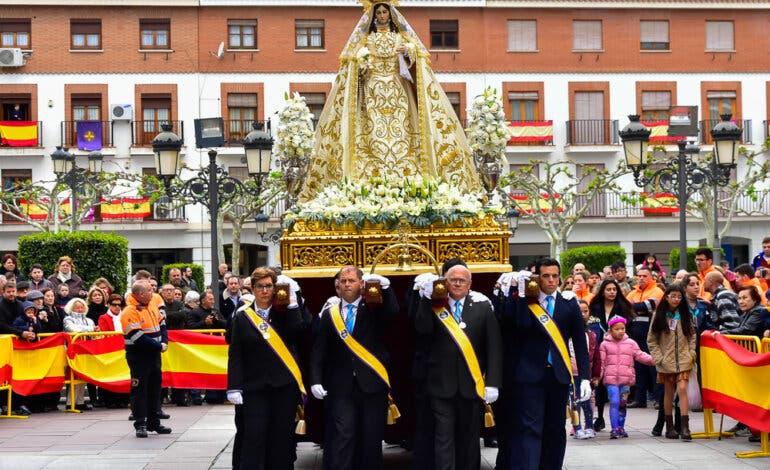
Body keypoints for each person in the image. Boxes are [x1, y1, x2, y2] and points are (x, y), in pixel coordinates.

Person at [298, 1, 480, 201]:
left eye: (385, 12)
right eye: (379, 12)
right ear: (373, 15)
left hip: (397, 90)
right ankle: (369, 176)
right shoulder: (364, 41)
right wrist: (361, 64)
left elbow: (417, 61)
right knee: (371, 130)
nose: (382, 15)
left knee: (404, 128)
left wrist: (408, 51)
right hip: (372, 92)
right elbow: (352, 67)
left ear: (391, 14)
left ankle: (408, 174)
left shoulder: (401, 38)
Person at [503, 258, 591, 470]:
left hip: (558, 376)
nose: (551, 280)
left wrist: (585, 378)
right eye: (545, 276)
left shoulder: (568, 303)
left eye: (555, 276)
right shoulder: (527, 302)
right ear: (537, 277)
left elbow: (580, 341)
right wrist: (524, 295)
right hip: (530, 375)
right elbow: (521, 327)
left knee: (555, 429)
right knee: (531, 428)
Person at [414, 264, 502, 469]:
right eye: (452, 279)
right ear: (444, 281)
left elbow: (494, 346)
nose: (456, 283)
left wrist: (493, 383)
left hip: (472, 385)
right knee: (443, 438)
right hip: (441, 385)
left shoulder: (482, 306)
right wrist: (426, 300)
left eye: (461, 280)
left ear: (470, 283)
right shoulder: (435, 304)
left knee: (470, 440)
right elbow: (422, 330)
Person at [310, 266, 398, 470]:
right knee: (343, 435)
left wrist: (387, 288)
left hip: (371, 384)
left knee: (371, 438)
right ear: (338, 285)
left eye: (351, 280)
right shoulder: (330, 313)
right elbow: (319, 350)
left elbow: (392, 311)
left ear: (361, 284)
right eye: (343, 281)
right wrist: (315, 379)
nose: (347, 284)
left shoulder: (374, 307)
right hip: (340, 385)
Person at [226, 267, 304, 470]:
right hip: (254, 387)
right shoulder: (243, 316)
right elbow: (236, 353)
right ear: (252, 288)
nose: (264, 291)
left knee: (282, 436)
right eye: (259, 286)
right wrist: (234, 386)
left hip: (283, 385)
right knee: (254, 435)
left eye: (269, 286)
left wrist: (294, 304)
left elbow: (298, 332)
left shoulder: (284, 313)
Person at [121, 280, 171, 438]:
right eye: (150, 290)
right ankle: (140, 424)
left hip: (154, 355)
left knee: (155, 389)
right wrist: (159, 346)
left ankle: (154, 422)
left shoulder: (152, 305)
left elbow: (162, 325)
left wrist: (164, 342)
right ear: (140, 294)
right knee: (139, 391)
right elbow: (137, 337)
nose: (153, 293)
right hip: (139, 356)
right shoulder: (129, 311)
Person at [647, 284, 696, 441]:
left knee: (682, 388)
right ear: (666, 297)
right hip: (666, 361)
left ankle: (685, 426)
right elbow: (652, 340)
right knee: (668, 392)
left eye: (679, 296)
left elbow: (692, 336)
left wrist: (691, 353)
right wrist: (658, 358)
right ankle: (669, 427)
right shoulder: (659, 315)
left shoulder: (685, 314)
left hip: (684, 359)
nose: (676, 299)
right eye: (673, 296)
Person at [599, 316, 654, 439]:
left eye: (622, 328)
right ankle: (614, 428)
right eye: (617, 329)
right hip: (611, 379)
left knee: (623, 403)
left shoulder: (631, 343)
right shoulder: (604, 345)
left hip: (626, 380)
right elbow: (601, 363)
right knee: (614, 401)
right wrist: (597, 377)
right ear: (610, 330)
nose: (620, 331)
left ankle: (621, 427)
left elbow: (640, 355)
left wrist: (654, 360)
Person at [625, 267, 663, 409]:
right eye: (639, 276)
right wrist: (637, 307)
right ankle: (639, 399)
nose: (641, 278)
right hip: (636, 335)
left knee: (654, 368)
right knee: (639, 368)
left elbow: (650, 305)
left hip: (652, 335)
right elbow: (625, 308)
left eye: (644, 276)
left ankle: (659, 399)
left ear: (651, 277)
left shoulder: (657, 291)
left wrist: (634, 307)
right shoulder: (633, 292)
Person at [63, 297, 97, 411]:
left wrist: (91, 330)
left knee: (83, 377)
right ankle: (70, 402)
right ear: (72, 308)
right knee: (73, 376)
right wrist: (91, 329)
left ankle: (80, 401)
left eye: (82, 307)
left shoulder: (89, 320)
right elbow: (72, 329)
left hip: (86, 351)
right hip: (74, 351)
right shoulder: (67, 319)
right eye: (77, 307)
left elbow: (95, 332)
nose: (79, 309)